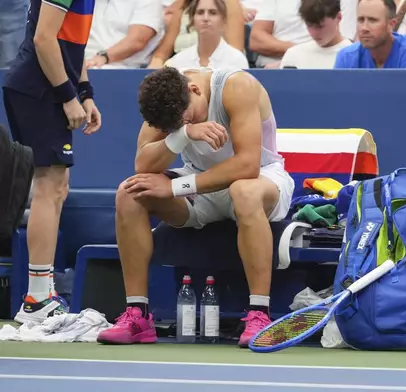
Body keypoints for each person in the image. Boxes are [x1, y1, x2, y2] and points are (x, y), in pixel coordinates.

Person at [96, 66, 294, 347]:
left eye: (185, 118)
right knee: (129, 192)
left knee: (243, 190)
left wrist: (176, 187)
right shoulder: (166, 100)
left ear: (195, 89)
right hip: (202, 186)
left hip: (261, 180)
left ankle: (259, 314)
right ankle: (138, 315)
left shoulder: (237, 86)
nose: (178, 125)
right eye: (172, 126)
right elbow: (142, 164)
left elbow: (248, 165)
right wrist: (184, 133)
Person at [2, 0, 101, 324]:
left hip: (48, 87)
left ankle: (41, 294)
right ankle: (37, 298)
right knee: (49, 186)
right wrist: (68, 97)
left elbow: (72, 42)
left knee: (57, 187)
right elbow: (44, 39)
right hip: (38, 88)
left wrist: (85, 93)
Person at [334, 0, 406, 68]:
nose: (364, 28)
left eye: (373, 20)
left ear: (391, 24)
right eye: (360, 20)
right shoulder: (346, 57)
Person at [164, 0, 249, 70]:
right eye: (200, 12)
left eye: (213, 13)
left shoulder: (236, 60)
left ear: (223, 20)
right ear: (192, 20)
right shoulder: (178, 61)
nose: (205, 18)